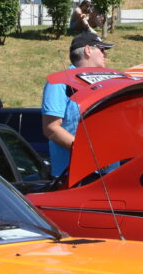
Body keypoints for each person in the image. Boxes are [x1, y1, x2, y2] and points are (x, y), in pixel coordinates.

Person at [41, 31, 114, 179]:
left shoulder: (108, 82)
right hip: (74, 177)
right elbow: (51, 128)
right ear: (88, 50)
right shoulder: (61, 81)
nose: (105, 55)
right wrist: (89, 153)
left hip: (111, 174)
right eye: (102, 50)